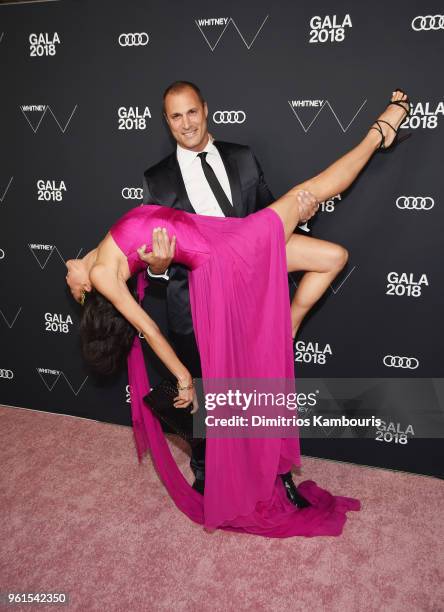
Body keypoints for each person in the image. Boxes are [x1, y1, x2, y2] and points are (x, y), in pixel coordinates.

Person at [65, 89, 411, 537]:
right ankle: (378, 133)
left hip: (229, 239)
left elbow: (95, 257)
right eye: (75, 284)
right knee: (314, 189)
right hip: (222, 257)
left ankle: (287, 323)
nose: (71, 276)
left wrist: (81, 267)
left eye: (192, 112)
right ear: (89, 294)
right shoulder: (106, 279)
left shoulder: (98, 253)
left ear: (204, 111)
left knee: (331, 255)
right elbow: (146, 326)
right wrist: (184, 378)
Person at [140, 80, 319, 501]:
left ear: (205, 109)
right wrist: (161, 270)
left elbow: (269, 219)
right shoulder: (156, 179)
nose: (186, 123)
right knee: (201, 394)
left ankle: (277, 473)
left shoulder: (242, 157)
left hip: (250, 298)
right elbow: (159, 252)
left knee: (260, 387)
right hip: (195, 302)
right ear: (167, 123)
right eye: (176, 116)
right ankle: (205, 471)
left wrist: (304, 216)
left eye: (192, 112)